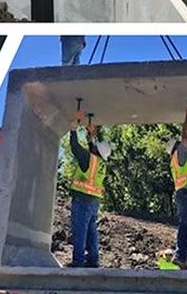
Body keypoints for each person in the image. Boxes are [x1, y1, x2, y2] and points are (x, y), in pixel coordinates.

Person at [66, 110, 111, 268]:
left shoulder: (88, 159)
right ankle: (93, 260)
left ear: (97, 151)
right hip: (94, 201)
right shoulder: (101, 164)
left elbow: (74, 146)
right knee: (91, 232)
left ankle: (78, 262)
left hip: (83, 200)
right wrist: (91, 135)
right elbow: (92, 148)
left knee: (80, 230)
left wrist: (74, 126)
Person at [163, 95, 187, 270]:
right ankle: (180, 257)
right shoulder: (180, 153)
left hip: (186, 194)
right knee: (186, 225)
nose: (183, 144)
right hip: (186, 194)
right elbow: (186, 135)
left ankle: (181, 257)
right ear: (176, 146)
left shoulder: (180, 157)